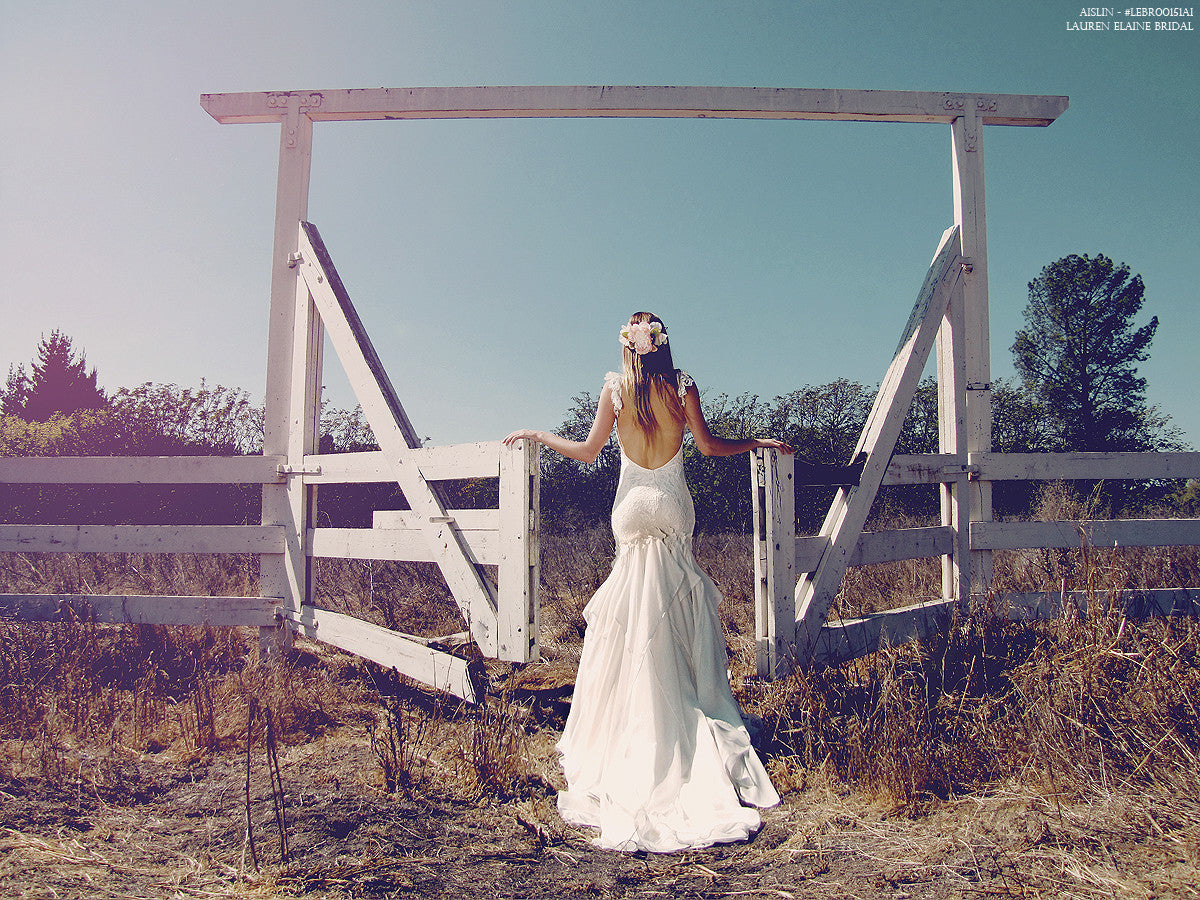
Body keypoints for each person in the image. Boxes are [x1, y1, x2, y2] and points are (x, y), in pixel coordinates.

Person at [503, 312, 861, 853]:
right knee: (672, 607)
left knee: (628, 611)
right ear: (664, 345)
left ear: (627, 345)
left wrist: (538, 434)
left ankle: (627, 725)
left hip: (630, 511)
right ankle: (682, 710)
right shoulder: (681, 385)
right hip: (669, 505)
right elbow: (712, 446)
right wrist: (759, 440)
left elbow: (587, 451)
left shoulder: (615, 389)